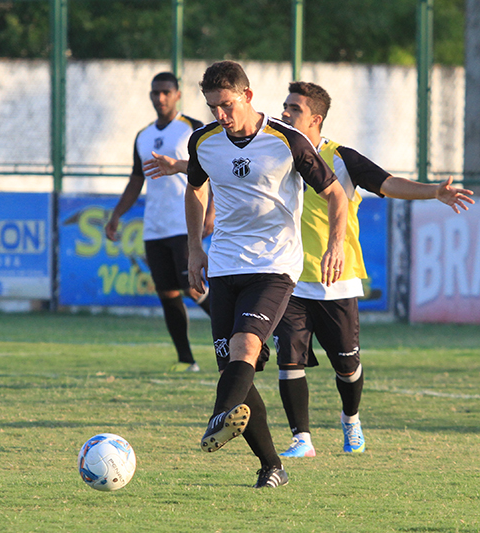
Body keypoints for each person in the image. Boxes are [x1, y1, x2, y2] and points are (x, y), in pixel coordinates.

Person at [274, 81, 475, 457]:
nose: (285, 113)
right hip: (289, 278)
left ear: (315, 118)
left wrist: (433, 191)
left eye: (294, 109)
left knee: (347, 367)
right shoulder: (275, 151)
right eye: (284, 106)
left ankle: (351, 420)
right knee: (289, 359)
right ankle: (301, 438)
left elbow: (387, 183)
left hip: (337, 279)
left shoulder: (341, 157)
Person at [184, 61, 348, 488]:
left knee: (246, 345)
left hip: (275, 265)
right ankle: (272, 465)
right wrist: (194, 249)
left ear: (248, 96)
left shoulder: (287, 140)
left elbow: (334, 194)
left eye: (226, 105)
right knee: (233, 368)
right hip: (223, 265)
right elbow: (195, 189)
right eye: (212, 107)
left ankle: (216, 420)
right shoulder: (203, 142)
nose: (220, 115)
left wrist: (334, 244)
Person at [105, 72, 213, 372]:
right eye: (156, 93)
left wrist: (212, 210)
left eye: (166, 92)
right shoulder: (143, 135)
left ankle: (241, 346)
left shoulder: (193, 128)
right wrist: (116, 215)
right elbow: (136, 180)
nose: (160, 98)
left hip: (185, 224)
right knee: (167, 292)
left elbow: (212, 170)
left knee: (195, 289)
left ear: (178, 94)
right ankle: (185, 360)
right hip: (155, 228)